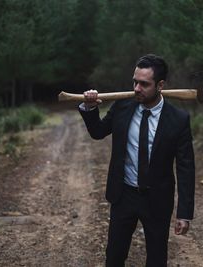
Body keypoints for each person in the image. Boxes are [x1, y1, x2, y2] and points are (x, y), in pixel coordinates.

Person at [78, 54, 195, 266]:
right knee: (114, 257)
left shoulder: (178, 120)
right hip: (123, 195)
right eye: (134, 82)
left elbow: (186, 168)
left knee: (157, 260)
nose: (137, 89)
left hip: (157, 200)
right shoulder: (123, 106)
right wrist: (90, 107)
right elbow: (98, 132)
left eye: (144, 84)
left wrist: (184, 213)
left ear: (160, 85)